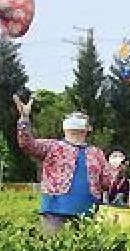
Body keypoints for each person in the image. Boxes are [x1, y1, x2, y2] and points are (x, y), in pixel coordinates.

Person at [13, 95, 113, 234]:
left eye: (81, 118)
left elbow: (107, 182)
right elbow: (27, 144)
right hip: (54, 212)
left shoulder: (96, 153)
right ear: (65, 125)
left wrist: (116, 170)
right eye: (73, 117)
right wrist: (24, 119)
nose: (76, 120)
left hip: (88, 214)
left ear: (88, 128)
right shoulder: (53, 146)